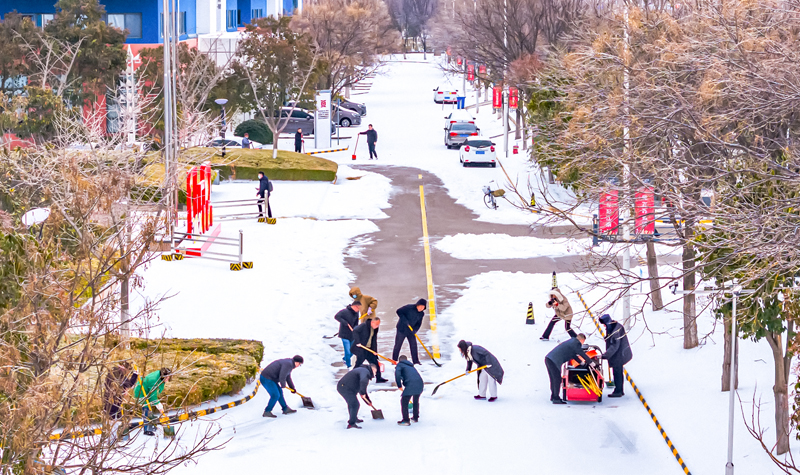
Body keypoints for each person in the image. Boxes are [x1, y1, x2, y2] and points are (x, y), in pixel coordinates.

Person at [545, 334, 596, 404]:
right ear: (582, 340)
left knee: (554, 379)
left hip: (549, 359)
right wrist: (591, 362)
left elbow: (572, 355)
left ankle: (553, 396)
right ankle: (556, 398)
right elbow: (582, 353)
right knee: (557, 379)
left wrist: (582, 363)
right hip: (554, 361)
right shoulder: (576, 343)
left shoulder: (572, 341)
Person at [103, 362, 138, 441]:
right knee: (112, 419)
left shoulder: (115, 372)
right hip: (113, 400)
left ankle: (114, 437)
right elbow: (129, 384)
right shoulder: (117, 374)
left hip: (113, 400)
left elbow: (125, 384)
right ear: (122, 367)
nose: (126, 372)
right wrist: (135, 375)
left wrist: (123, 389)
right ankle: (112, 439)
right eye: (126, 370)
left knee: (115, 418)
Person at [599, 314, 633, 397]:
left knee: (617, 373)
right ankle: (619, 390)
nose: (604, 326)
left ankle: (618, 391)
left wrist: (605, 355)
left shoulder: (615, 331)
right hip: (620, 353)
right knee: (618, 372)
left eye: (604, 324)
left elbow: (614, 345)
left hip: (619, 355)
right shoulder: (615, 327)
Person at [133, 368, 172, 436]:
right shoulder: (154, 381)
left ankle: (150, 426)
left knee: (149, 408)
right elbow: (153, 397)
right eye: (167, 378)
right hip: (141, 391)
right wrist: (159, 405)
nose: (168, 379)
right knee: (146, 408)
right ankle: (147, 430)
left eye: (169, 377)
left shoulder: (160, 376)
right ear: (163, 376)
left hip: (147, 390)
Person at [337, 364, 376, 429]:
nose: (375, 374)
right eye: (375, 372)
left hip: (346, 387)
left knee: (352, 404)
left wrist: (368, 401)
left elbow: (361, 388)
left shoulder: (363, 370)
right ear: (373, 369)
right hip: (345, 388)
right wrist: (363, 393)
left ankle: (354, 418)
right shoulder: (365, 372)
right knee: (354, 404)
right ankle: (351, 424)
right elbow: (363, 381)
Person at [352, 317, 388, 383]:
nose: (377, 326)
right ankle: (352, 377)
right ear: (372, 322)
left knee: (375, 363)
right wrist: (358, 341)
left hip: (369, 349)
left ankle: (379, 378)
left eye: (378, 325)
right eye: (376, 324)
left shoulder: (375, 329)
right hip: (362, 349)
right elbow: (355, 331)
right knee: (358, 364)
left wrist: (375, 351)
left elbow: (374, 340)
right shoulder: (363, 325)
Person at [391, 299, 427, 364]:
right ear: (417, 305)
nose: (421, 308)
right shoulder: (409, 307)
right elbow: (398, 311)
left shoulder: (421, 314)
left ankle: (416, 361)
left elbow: (419, 324)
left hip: (411, 331)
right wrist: (404, 320)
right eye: (420, 306)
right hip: (401, 329)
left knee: (414, 346)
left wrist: (415, 330)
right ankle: (394, 360)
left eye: (423, 307)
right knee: (398, 345)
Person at [395, 355, 423, 425]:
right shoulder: (411, 366)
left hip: (411, 384)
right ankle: (415, 417)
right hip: (420, 383)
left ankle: (406, 420)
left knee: (404, 401)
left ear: (399, 360)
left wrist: (399, 385)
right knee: (415, 400)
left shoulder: (400, 365)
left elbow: (397, 375)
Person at [335, 300, 362, 368]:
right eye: (358, 308)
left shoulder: (356, 313)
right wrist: (345, 323)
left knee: (352, 351)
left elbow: (356, 323)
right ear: (355, 306)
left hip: (352, 335)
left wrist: (356, 330)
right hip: (344, 335)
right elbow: (336, 316)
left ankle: (345, 359)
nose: (359, 310)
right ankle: (349, 366)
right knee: (347, 352)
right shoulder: (344, 312)